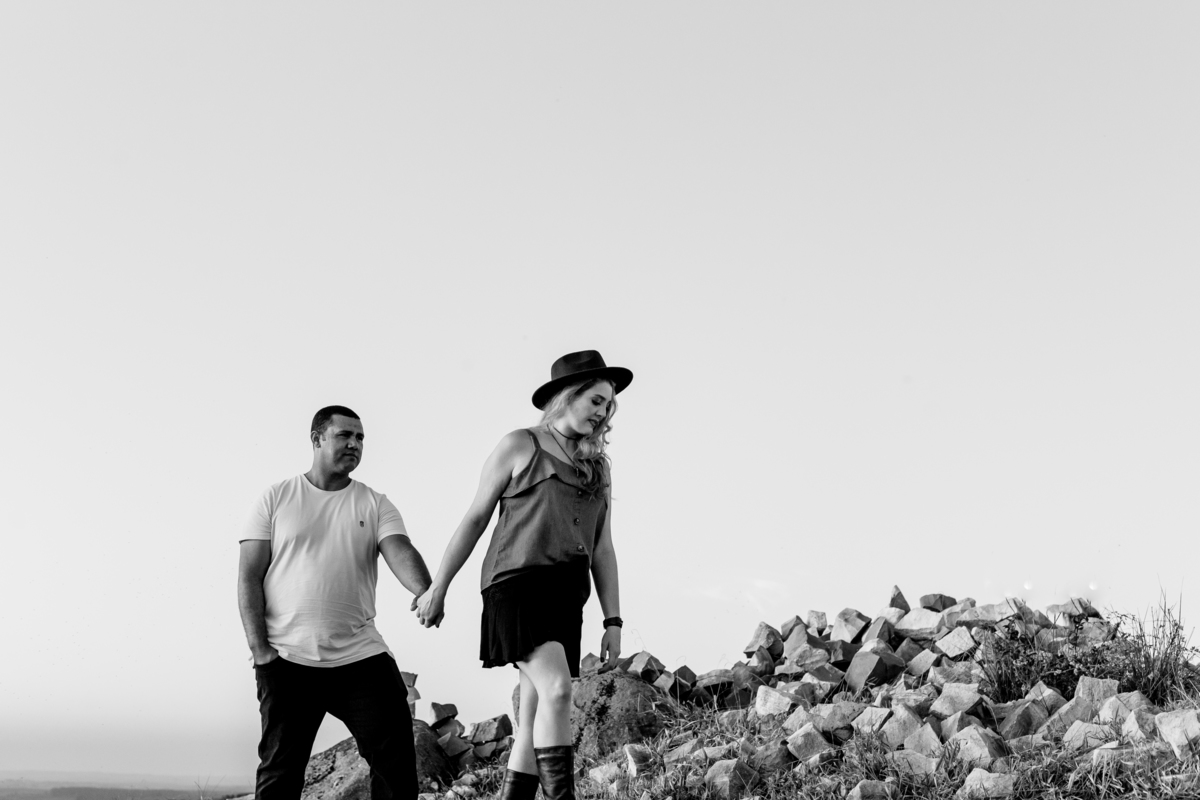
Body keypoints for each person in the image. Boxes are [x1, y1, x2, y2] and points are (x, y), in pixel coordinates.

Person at [414, 350, 633, 800]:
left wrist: (613, 621)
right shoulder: (519, 445)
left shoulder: (599, 468)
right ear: (566, 397)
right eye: (595, 400)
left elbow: (603, 547)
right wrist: (439, 587)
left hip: (568, 594)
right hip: (515, 584)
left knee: (533, 713)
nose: (603, 412)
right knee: (556, 691)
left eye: (608, 405)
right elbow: (475, 518)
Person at [238, 406, 433, 800]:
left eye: (360, 438)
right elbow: (248, 576)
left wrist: (426, 590)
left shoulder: (374, 503)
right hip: (288, 659)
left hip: (360, 657)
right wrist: (261, 652)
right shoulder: (276, 498)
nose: (354, 444)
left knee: (396, 763)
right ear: (316, 439)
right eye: (345, 435)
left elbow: (399, 550)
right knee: (280, 774)